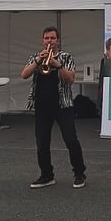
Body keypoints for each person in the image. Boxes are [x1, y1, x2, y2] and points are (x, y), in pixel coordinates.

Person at [21, 26, 86, 189]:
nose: (49, 41)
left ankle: (79, 174)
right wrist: (38, 61)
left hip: (63, 105)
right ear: (42, 40)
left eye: (52, 38)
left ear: (58, 41)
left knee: (71, 140)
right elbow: (24, 74)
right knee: (42, 143)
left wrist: (57, 65)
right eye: (46, 38)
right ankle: (46, 175)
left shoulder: (66, 57)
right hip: (42, 106)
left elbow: (70, 79)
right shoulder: (36, 57)